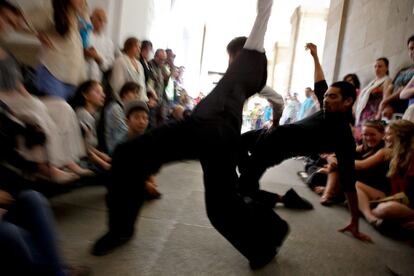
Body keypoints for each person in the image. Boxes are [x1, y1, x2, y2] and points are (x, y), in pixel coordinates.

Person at [92, 0, 289, 269]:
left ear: (239, 53)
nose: (230, 61)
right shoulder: (255, 81)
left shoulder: (251, 52)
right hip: (210, 132)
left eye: (231, 56)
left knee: (132, 155)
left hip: (211, 132)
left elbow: (264, 10)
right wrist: (276, 119)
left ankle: (268, 239)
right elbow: (277, 99)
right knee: (218, 206)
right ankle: (268, 238)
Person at [238, 42, 371, 241]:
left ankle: (276, 222)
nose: (325, 99)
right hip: (266, 134)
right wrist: (315, 56)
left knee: (241, 190)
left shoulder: (343, 136)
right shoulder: (327, 109)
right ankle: (277, 195)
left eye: (332, 97)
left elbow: (349, 182)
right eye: (325, 96)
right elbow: (320, 82)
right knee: (234, 146)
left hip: (272, 151)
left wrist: (354, 221)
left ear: (348, 102)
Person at [353, 57, 391, 142]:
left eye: (380, 66)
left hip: (374, 114)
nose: (377, 68)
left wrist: (379, 114)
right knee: (358, 137)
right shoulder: (372, 82)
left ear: (387, 67)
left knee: (367, 138)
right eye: (375, 66)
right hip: (363, 114)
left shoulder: (386, 80)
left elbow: (386, 98)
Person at [110, 37, 147, 102]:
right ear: (128, 47)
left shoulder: (139, 64)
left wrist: (143, 99)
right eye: (137, 47)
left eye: (140, 47)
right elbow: (117, 84)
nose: (139, 50)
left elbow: (142, 83)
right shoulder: (120, 61)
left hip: (138, 99)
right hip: (124, 99)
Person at [85, 8, 115, 82]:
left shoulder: (108, 42)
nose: (101, 22)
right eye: (98, 18)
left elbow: (109, 65)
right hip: (79, 76)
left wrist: (97, 57)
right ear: (91, 19)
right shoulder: (83, 35)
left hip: (96, 80)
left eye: (104, 20)